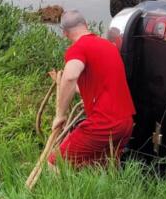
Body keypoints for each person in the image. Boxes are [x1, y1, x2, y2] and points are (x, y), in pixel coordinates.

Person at [48, 10, 136, 168]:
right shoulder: (109, 46)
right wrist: (61, 84)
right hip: (125, 123)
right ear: (86, 25)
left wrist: (60, 115)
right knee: (100, 168)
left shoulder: (78, 48)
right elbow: (94, 87)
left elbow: (70, 76)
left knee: (55, 164)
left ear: (65, 33)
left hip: (103, 124)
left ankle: (56, 193)